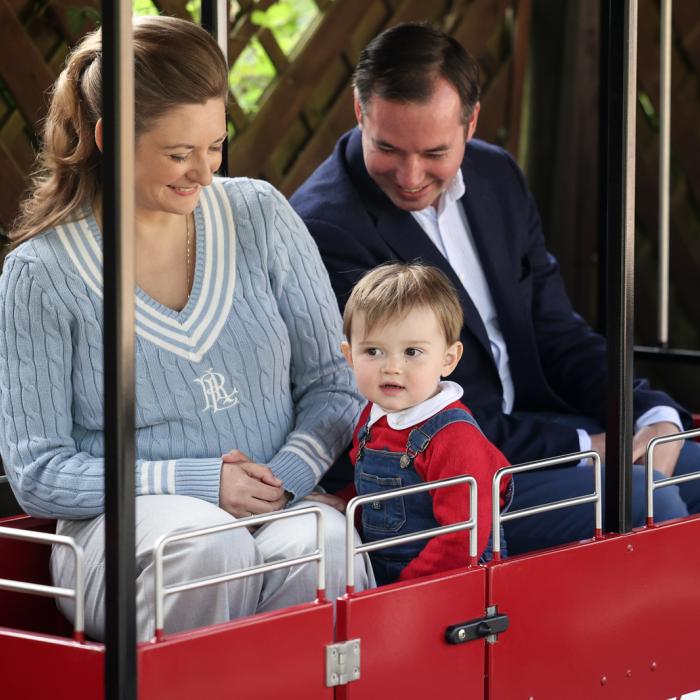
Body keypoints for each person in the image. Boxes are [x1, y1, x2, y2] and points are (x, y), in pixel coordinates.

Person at [0, 15, 372, 642]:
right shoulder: (40, 273)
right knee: (206, 551)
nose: (204, 171)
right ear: (106, 138)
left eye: (215, 146)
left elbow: (335, 383)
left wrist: (287, 474)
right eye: (179, 154)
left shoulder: (260, 215)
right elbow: (37, 471)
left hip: (277, 500)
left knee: (324, 542)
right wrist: (201, 483)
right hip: (122, 531)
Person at [290, 22, 700, 554]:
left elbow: (557, 332)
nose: (411, 176)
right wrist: (586, 447)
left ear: (471, 122)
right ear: (359, 111)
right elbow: (408, 397)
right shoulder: (327, 226)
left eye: (434, 152)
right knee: (647, 500)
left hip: (533, 427)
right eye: (388, 148)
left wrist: (646, 412)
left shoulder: (496, 175)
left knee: (682, 464)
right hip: (432, 474)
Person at [341, 262, 511, 584]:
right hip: (384, 569)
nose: (391, 367)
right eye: (373, 351)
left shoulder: (454, 437)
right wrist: (344, 501)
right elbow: (378, 489)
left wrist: (407, 589)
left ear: (448, 359)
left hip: (450, 579)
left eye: (412, 352)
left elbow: (463, 536)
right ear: (349, 356)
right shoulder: (372, 416)